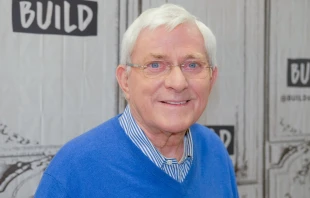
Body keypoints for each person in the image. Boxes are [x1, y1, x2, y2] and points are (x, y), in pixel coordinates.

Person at [35, 3, 239, 198]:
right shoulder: (74, 170)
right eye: (156, 65)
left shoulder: (215, 151)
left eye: (193, 65)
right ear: (125, 80)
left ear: (212, 79)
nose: (178, 82)